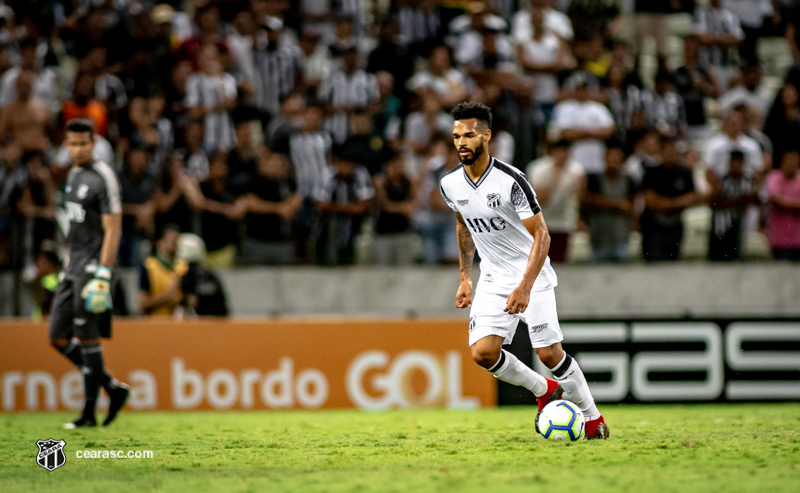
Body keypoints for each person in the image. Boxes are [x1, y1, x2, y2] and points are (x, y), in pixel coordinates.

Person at [439, 102, 608, 439]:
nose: (461, 142)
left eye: (468, 135)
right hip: (491, 277)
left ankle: (592, 418)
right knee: (483, 353)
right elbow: (463, 226)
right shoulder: (450, 184)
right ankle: (544, 390)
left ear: (486, 136)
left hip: (532, 274)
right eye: (456, 135)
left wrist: (525, 287)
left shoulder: (511, 180)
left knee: (548, 353)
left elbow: (542, 234)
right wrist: (464, 278)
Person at [47, 119, 130, 428]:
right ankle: (111, 387)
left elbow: (113, 229)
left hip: (94, 268)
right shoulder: (72, 175)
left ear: (94, 143)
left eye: (83, 143)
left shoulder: (104, 177)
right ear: (65, 146)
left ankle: (88, 413)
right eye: (72, 144)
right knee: (56, 336)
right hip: (72, 266)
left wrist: (104, 275)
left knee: (87, 337)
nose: (78, 149)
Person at [640, 137, 700, 261]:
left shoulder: (684, 173)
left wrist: (667, 204)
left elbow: (692, 198)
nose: (670, 154)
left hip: (675, 227)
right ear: (661, 152)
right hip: (654, 228)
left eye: (673, 151)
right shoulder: (651, 173)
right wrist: (678, 202)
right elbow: (651, 201)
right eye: (667, 151)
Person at [526, 139, 585, 263]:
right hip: (543, 221)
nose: (563, 155)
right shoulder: (538, 169)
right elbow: (538, 199)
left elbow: (578, 198)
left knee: (561, 261)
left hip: (564, 222)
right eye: (560, 151)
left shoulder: (576, 170)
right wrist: (555, 175)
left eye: (566, 151)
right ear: (552, 152)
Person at [583, 140, 637, 263]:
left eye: (617, 158)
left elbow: (630, 206)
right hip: (598, 236)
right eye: (610, 157)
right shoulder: (595, 179)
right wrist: (618, 204)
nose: (614, 161)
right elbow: (591, 201)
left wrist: (605, 203)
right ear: (604, 158)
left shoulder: (629, 180)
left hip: (621, 236)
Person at [708, 150, 758, 261]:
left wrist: (732, 201)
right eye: (733, 162)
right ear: (729, 163)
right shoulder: (721, 180)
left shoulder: (748, 180)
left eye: (739, 162)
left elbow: (753, 199)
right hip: (720, 226)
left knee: (737, 257)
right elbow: (713, 201)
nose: (736, 166)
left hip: (740, 224)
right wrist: (737, 201)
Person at [139, 224, 186, 316]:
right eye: (172, 240)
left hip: (181, 325)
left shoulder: (184, 267)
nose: (175, 243)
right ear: (160, 242)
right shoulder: (149, 267)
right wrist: (167, 297)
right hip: (156, 324)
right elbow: (142, 304)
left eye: (177, 240)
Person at [766, 150, 800, 260]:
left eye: (794, 160)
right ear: (782, 162)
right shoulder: (774, 177)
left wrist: (787, 203)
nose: (792, 163)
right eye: (789, 160)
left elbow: (781, 201)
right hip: (779, 239)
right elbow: (775, 199)